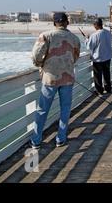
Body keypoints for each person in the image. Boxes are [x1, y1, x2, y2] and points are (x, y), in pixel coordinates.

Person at [30, 12, 81, 148]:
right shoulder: (75, 38)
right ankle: (60, 138)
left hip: (50, 79)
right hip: (68, 79)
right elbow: (75, 57)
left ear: (54, 23)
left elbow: (35, 57)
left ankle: (36, 140)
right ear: (67, 23)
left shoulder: (45, 36)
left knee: (42, 110)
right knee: (65, 109)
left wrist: (41, 65)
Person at [85, 18, 112, 96]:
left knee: (98, 75)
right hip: (107, 57)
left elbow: (89, 47)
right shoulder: (108, 33)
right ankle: (108, 88)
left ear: (96, 25)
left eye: (94, 24)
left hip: (98, 58)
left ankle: (99, 90)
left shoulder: (95, 35)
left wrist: (87, 40)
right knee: (107, 73)